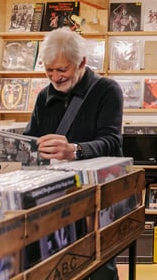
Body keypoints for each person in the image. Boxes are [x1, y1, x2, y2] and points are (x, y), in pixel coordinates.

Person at [24, 27, 124, 280]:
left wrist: (74, 150)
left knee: (100, 262)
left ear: (82, 63)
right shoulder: (43, 96)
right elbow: (30, 137)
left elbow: (112, 141)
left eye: (62, 70)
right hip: (56, 192)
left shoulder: (107, 90)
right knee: (58, 260)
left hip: (97, 192)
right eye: (49, 70)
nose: (55, 78)